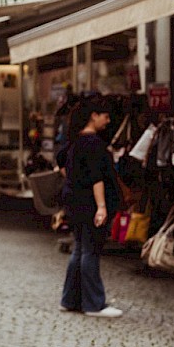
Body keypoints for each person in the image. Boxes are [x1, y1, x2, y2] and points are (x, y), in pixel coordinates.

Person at [58, 94, 122, 319]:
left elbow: (62, 164)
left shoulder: (74, 142)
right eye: (105, 116)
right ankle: (94, 303)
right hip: (88, 204)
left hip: (74, 201)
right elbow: (97, 178)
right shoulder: (94, 144)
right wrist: (101, 206)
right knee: (90, 251)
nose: (108, 121)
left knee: (79, 249)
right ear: (93, 116)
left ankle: (71, 299)